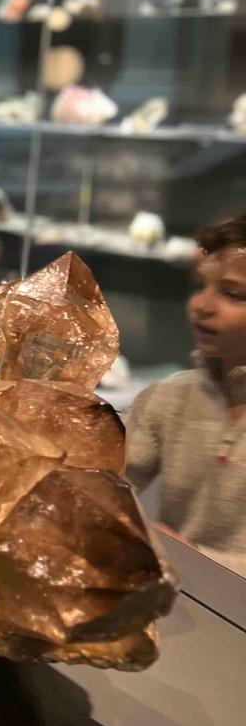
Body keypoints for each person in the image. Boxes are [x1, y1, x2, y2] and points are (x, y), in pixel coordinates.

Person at [125, 212, 246, 571]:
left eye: (233, 293)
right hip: (183, 606)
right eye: (199, 285)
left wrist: (194, 558)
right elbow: (102, 487)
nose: (201, 305)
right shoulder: (168, 399)